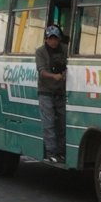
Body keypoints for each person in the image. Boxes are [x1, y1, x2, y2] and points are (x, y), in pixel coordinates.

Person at [36, 25, 67, 163]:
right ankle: (51, 153)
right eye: (51, 38)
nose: (53, 41)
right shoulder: (41, 52)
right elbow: (41, 71)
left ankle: (61, 152)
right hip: (45, 92)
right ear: (46, 39)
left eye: (56, 38)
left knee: (62, 122)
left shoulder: (65, 50)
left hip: (60, 92)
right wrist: (53, 76)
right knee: (49, 124)